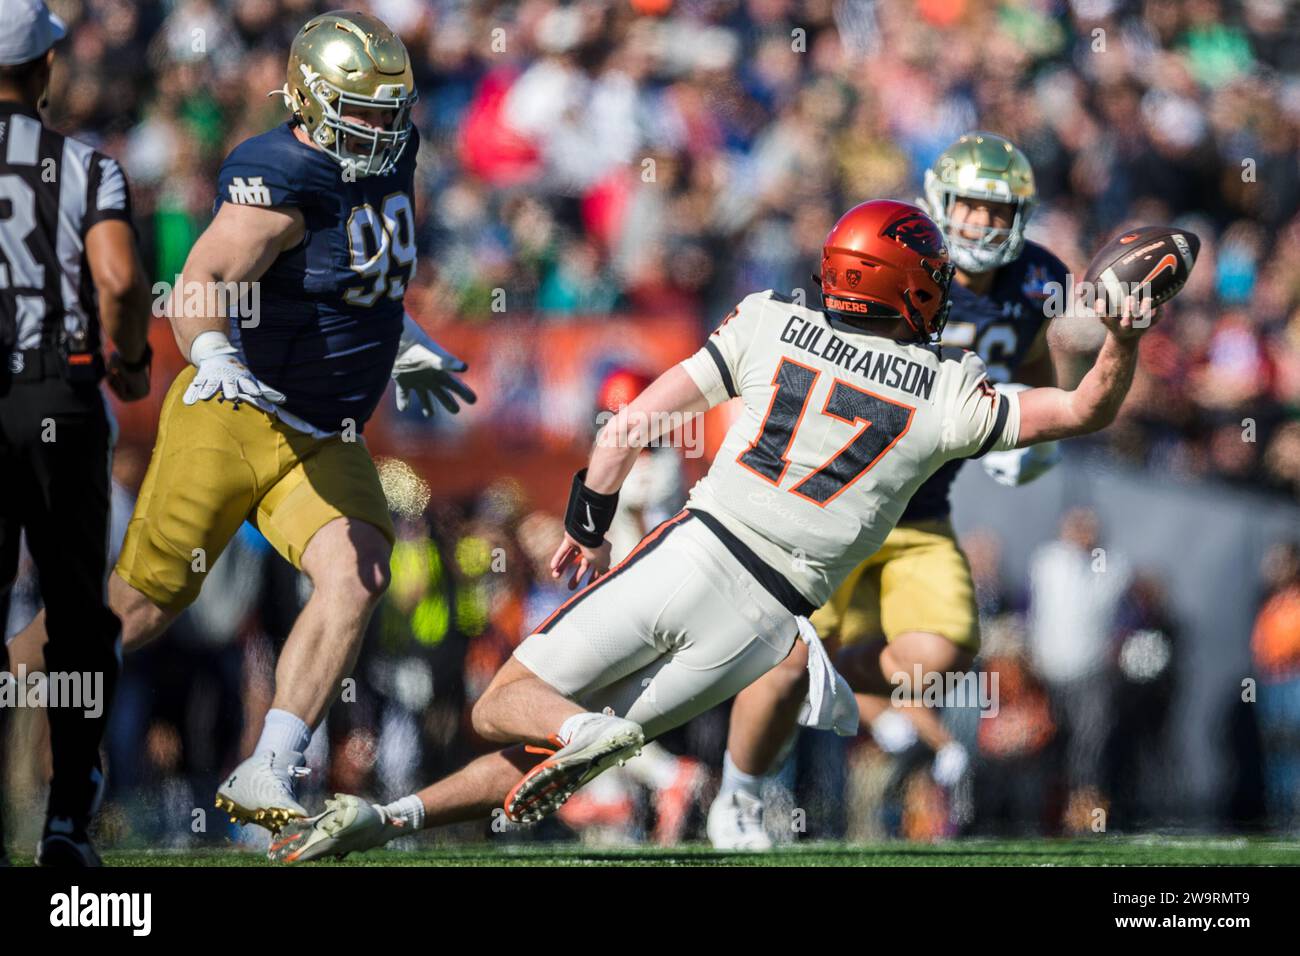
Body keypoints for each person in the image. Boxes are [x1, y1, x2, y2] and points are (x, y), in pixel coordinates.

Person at [265, 198, 1155, 863]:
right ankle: (386, 823)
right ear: (908, 285)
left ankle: (589, 741)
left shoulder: (771, 321)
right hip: (763, 624)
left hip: (697, 551)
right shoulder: (947, 390)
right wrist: (1123, 336)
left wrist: (590, 523)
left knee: (508, 707)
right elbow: (1083, 406)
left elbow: (626, 428)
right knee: (560, 743)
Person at [6, 10, 474, 834]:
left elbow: (353, 277)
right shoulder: (280, 170)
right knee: (140, 608)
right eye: (362, 110)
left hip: (323, 434)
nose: (382, 128)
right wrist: (214, 353)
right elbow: (203, 278)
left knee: (358, 573)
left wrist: (402, 339)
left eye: (389, 109)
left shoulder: (390, 158)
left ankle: (269, 765)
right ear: (310, 96)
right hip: (238, 411)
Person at [707, 132, 1074, 848]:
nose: (983, 225)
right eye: (970, 207)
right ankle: (742, 796)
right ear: (939, 202)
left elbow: (1042, 360)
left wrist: (1032, 414)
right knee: (778, 653)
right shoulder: (898, 250)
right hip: (839, 495)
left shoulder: (1038, 281)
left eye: (999, 213)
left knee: (939, 656)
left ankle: (841, 680)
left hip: (923, 507)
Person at [0, 0, 152, 866]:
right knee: (74, 616)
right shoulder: (88, 169)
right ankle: (67, 820)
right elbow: (121, 279)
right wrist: (128, 361)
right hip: (60, 398)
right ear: (46, 68)